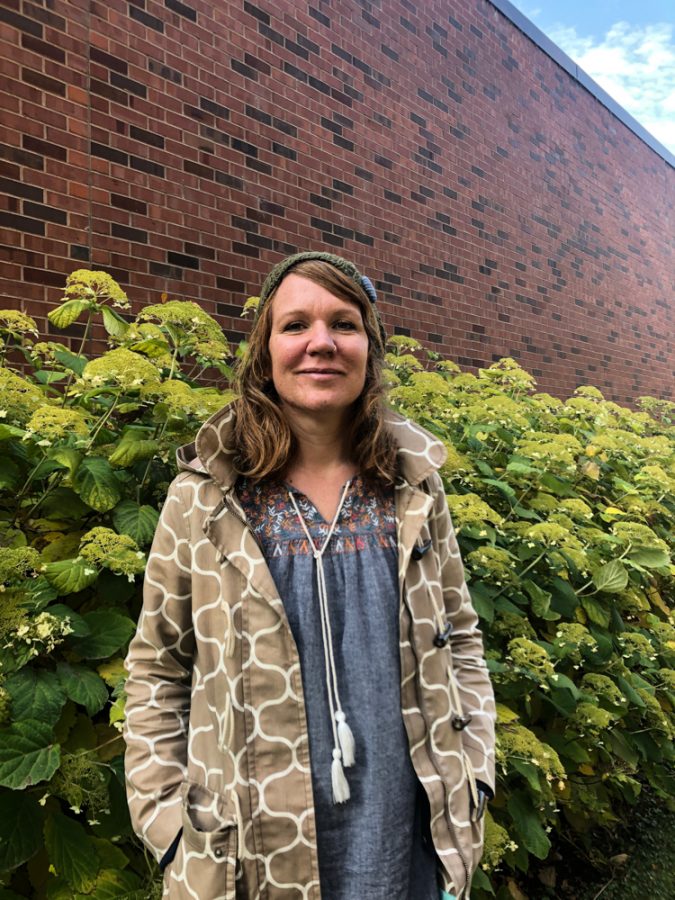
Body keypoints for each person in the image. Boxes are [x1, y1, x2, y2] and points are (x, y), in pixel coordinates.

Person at [124, 251, 496, 900]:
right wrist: (165, 822)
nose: (320, 343)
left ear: (369, 350)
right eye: (295, 325)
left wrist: (474, 775)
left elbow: (459, 636)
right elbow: (157, 665)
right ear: (264, 352)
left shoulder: (412, 487)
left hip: (402, 846)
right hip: (245, 856)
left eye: (343, 324)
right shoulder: (207, 498)